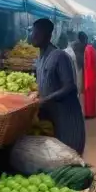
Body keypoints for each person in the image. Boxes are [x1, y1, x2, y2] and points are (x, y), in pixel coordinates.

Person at [31, 18, 86, 155]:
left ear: (49, 35)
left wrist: (46, 99)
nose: (34, 36)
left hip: (66, 118)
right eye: (33, 32)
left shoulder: (59, 56)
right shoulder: (39, 60)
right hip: (50, 117)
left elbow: (69, 86)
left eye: (38, 33)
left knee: (70, 156)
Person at [79, 31, 96, 119]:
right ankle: (91, 112)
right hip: (91, 75)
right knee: (91, 96)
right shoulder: (91, 49)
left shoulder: (87, 49)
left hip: (89, 75)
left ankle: (89, 113)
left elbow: (88, 64)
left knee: (89, 96)